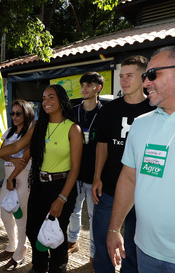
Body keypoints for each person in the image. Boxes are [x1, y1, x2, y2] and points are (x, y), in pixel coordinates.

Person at [0, 84, 83, 273]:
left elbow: (75, 168)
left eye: (51, 97)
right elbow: (15, 148)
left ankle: (58, 268)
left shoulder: (72, 128)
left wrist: (62, 198)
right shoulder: (39, 127)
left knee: (56, 234)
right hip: (39, 185)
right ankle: (39, 266)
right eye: (43, 98)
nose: (46, 101)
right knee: (33, 230)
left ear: (61, 100)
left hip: (61, 186)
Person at [107, 46, 175, 273]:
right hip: (145, 250)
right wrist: (114, 229)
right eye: (145, 76)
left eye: (153, 74)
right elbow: (128, 178)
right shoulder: (141, 123)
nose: (146, 83)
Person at [91, 55, 156, 273]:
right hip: (109, 189)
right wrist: (97, 177)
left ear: (144, 77)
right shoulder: (109, 109)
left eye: (130, 75)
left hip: (144, 192)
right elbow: (102, 144)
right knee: (103, 241)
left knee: (136, 247)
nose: (124, 80)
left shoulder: (155, 110)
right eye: (121, 76)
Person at [67, 72, 104, 271]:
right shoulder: (73, 112)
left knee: (95, 218)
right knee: (73, 211)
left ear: (98, 88)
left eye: (89, 85)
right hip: (74, 173)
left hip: (94, 176)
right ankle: (72, 241)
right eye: (82, 85)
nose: (84, 88)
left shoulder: (105, 113)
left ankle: (94, 254)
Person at [0, 100, 35, 270]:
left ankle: (21, 250)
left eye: (18, 113)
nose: (15, 117)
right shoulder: (10, 131)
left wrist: (12, 177)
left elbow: (25, 159)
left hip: (22, 177)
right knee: (5, 213)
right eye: (12, 113)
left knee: (20, 217)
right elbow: (3, 152)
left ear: (26, 114)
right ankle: (11, 246)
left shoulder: (30, 133)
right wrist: (11, 159)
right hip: (8, 177)